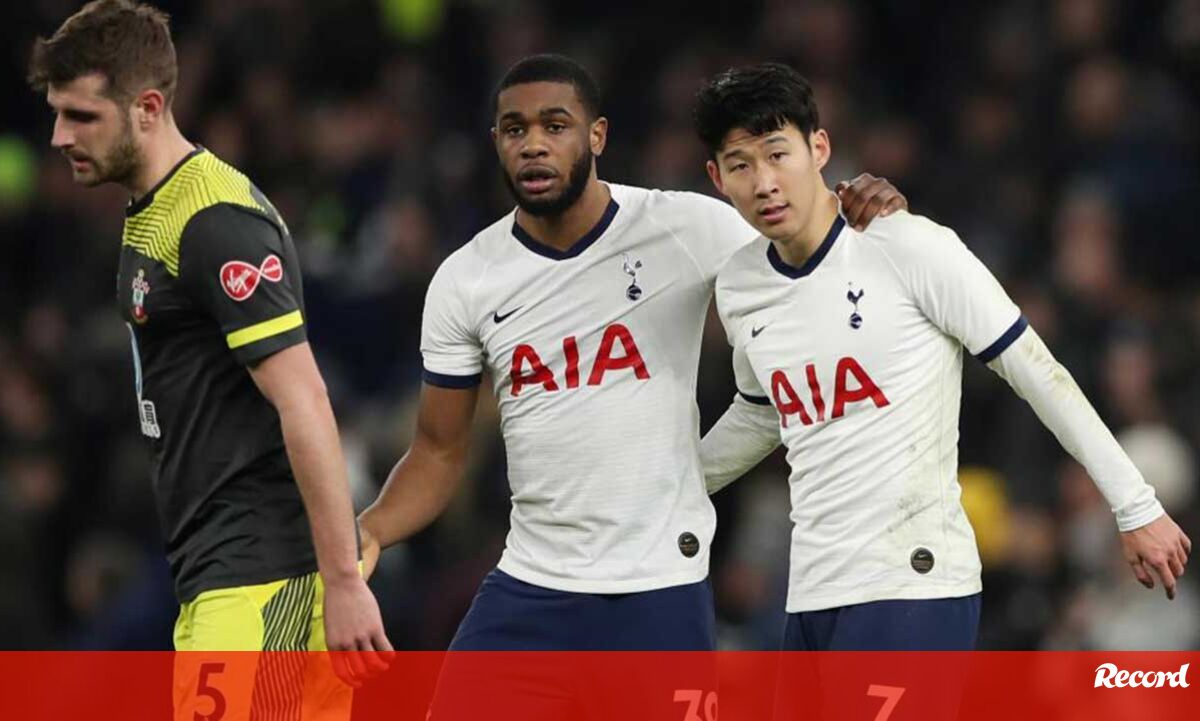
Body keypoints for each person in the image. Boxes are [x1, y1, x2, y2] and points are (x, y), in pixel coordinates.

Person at [693, 62, 1192, 653]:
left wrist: (1136, 507)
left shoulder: (910, 246)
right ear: (717, 178)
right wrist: (667, 485)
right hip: (809, 591)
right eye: (741, 165)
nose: (764, 182)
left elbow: (1039, 372)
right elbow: (763, 412)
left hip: (913, 583)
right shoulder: (742, 285)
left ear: (819, 148)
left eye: (778, 155)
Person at [27, 0, 391, 715]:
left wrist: (343, 581)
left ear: (148, 108)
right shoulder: (156, 210)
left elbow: (305, 398)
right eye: (58, 114)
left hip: (266, 579)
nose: (59, 135)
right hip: (219, 573)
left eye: (81, 116)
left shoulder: (215, 222)